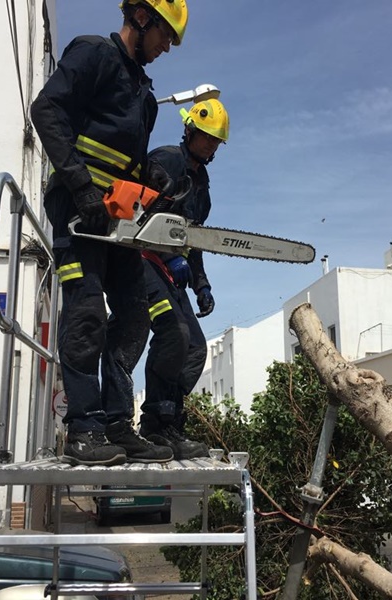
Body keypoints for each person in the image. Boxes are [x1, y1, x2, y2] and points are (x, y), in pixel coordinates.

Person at [29, 0, 189, 466]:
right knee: (87, 315)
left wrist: (150, 177)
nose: (166, 47)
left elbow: (127, 162)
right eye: (165, 34)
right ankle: (83, 427)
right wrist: (81, 188)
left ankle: (117, 423)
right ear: (141, 17)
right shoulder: (94, 53)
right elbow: (46, 110)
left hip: (118, 219)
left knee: (135, 317)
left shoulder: (144, 95)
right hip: (79, 211)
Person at [137, 98, 230, 459]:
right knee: (174, 335)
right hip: (142, 262)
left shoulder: (202, 184)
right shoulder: (165, 160)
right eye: (206, 137)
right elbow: (141, 215)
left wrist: (201, 284)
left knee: (194, 349)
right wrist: (166, 254)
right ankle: (153, 424)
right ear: (190, 131)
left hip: (172, 274)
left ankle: (170, 422)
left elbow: (195, 239)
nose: (210, 145)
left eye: (215, 141)